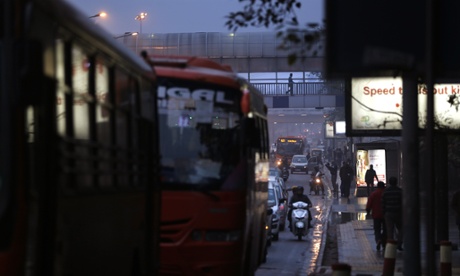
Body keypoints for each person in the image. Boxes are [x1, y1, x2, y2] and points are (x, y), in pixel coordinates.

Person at [382, 176, 403, 251]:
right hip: (398, 213)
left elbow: (383, 203)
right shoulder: (400, 191)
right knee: (401, 229)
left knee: (390, 230)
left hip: (388, 213)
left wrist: (384, 212)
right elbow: (402, 202)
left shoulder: (386, 191)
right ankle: (399, 244)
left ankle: (391, 247)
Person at [366, 181, 386, 251]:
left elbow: (369, 203)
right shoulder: (386, 193)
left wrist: (368, 211)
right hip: (385, 215)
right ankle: (384, 242)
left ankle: (378, 240)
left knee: (377, 229)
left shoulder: (374, 194)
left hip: (376, 215)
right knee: (385, 230)